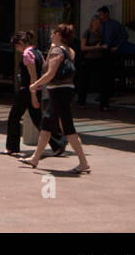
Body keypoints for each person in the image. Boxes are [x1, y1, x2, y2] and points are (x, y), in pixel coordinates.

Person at [22, 24, 91, 173]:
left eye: (53, 33)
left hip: (59, 92)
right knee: (47, 125)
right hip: (64, 91)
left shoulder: (57, 51)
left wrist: (35, 84)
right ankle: (35, 158)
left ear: (58, 35)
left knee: (67, 127)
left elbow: (49, 73)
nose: (50, 35)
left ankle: (83, 162)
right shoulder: (69, 50)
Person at [3, 32, 66, 157]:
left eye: (16, 46)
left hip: (27, 90)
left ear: (21, 43)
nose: (16, 49)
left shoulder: (27, 54)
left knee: (14, 117)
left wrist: (33, 95)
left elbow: (33, 76)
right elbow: (43, 69)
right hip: (35, 89)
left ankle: (12, 147)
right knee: (38, 120)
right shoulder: (37, 52)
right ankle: (58, 142)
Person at [96, 6, 126, 110]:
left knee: (108, 76)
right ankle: (102, 97)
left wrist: (117, 46)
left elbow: (124, 35)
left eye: (101, 14)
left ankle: (106, 98)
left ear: (106, 14)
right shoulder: (99, 24)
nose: (100, 16)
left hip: (110, 51)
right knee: (100, 76)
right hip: (99, 51)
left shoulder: (114, 24)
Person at [75, 15, 105, 107]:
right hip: (88, 59)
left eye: (99, 23)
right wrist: (95, 47)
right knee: (84, 81)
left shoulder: (100, 33)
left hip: (98, 58)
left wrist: (102, 47)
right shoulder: (87, 33)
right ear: (92, 23)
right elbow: (83, 47)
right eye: (96, 23)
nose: (97, 25)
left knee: (101, 80)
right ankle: (81, 101)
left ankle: (103, 103)